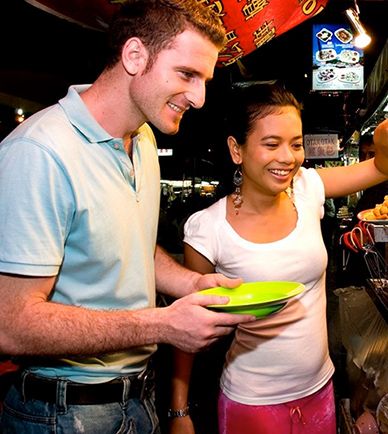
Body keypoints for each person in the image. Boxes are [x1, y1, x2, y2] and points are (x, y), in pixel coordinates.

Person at [0, 1, 256, 432]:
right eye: (187, 75)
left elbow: (129, 246)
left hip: (137, 399)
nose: (199, 97)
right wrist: (164, 325)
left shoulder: (142, 140)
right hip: (62, 413)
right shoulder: (40, 152)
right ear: (134, 56)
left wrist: (193, 284)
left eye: (205, 80)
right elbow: (10, 325)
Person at [168, 83, 388, 433]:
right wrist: (179, 410)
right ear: (236, 149)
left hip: (320, 393)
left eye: (296, 143)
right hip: (252, 403)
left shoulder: (306, 188)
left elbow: (381, 167)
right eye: (271, 144)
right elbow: (188, 327)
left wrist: (382, 137)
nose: (287, 157)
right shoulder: (207, 228)